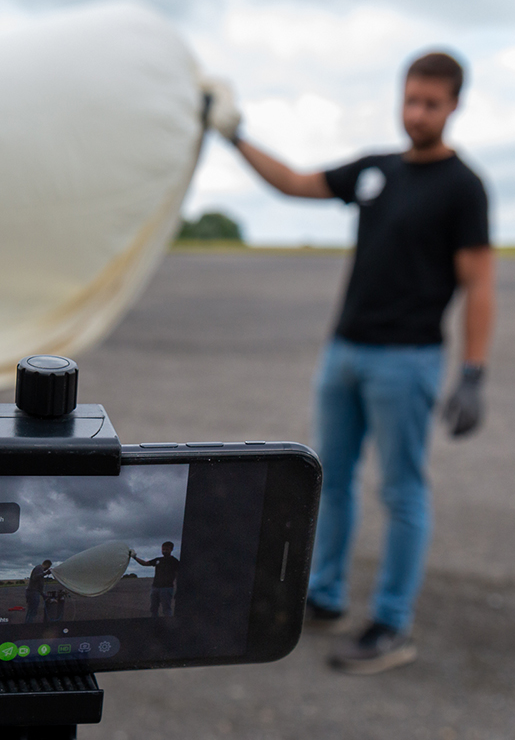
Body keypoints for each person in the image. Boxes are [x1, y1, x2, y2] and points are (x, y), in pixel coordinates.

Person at [206, 51, 495, 674]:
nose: (417, 113)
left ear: (453, 106)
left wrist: (473, 373)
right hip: (345, 352)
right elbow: (294, 183)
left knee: (402, 490)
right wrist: (233, 135)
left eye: (431, 104)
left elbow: (481, 283)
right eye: (411, 99)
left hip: (407, 361)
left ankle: (392, 622)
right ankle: (326, 595)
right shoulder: (376, 170)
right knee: (328, 479)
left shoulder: (463, 187)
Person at [133, 541, 180, 617]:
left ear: (171, 549)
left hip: (166, 588)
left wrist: (178, 589)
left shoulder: (174, 561)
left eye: (166, 549)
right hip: (155, 587)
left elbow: (178, 576)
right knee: (153, 608)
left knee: (166, 609)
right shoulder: (158, 560)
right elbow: (145, 563)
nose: (164, 551)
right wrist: (134, 557)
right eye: (163, 549)